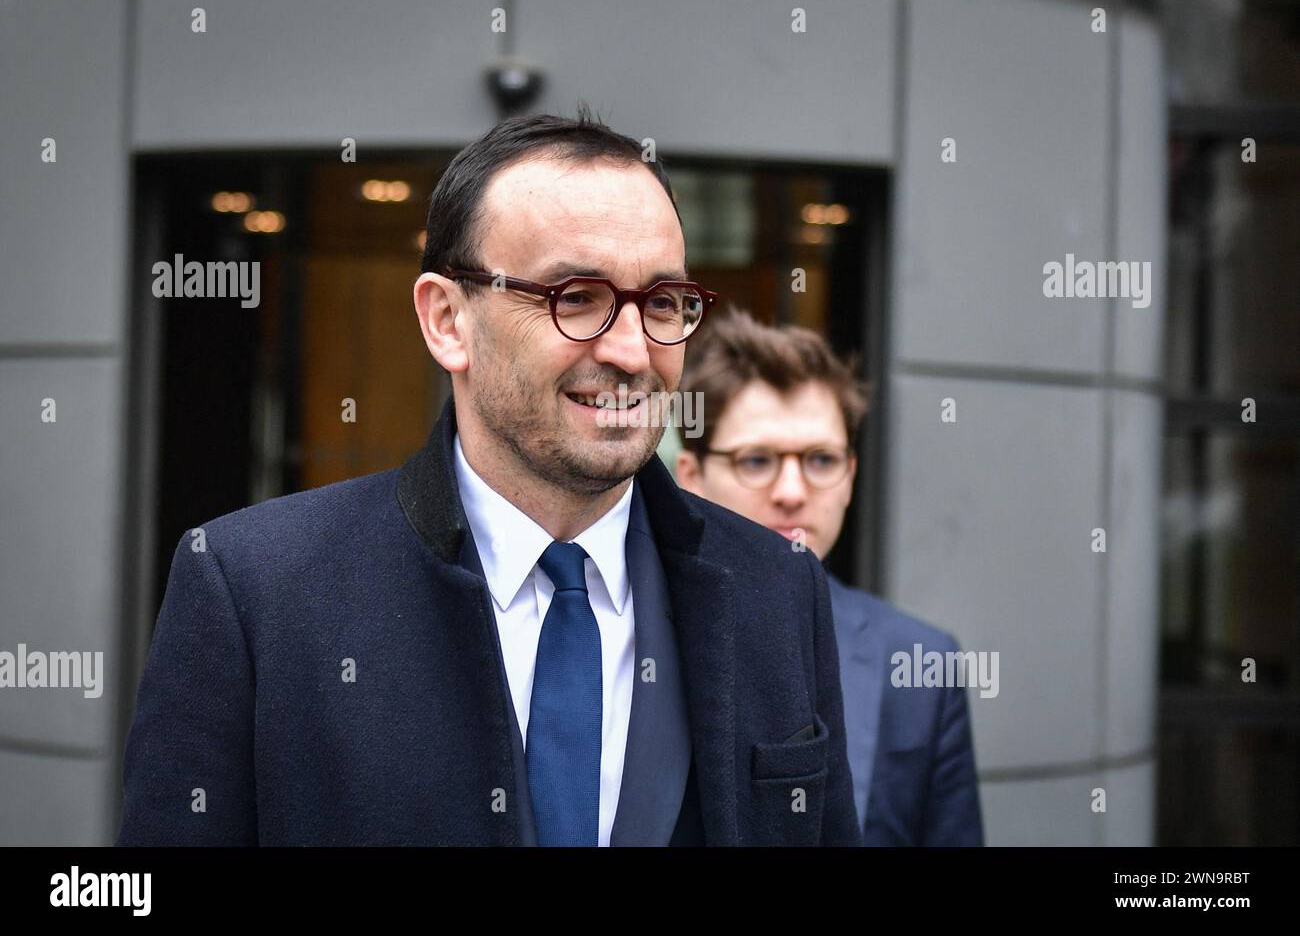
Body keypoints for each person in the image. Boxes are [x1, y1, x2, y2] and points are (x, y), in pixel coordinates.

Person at [116, 108, 861, 846]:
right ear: (447, 320)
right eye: (577, 298)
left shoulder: (776, 585)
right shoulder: (255, 591)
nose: (634, 352)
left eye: (663, 303)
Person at [676, 308, 984, 845]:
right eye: (756, 460)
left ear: (850, 479)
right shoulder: (630, 632)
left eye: (820, 460)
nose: (792, 491)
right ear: (691, 478)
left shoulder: (920, 663)